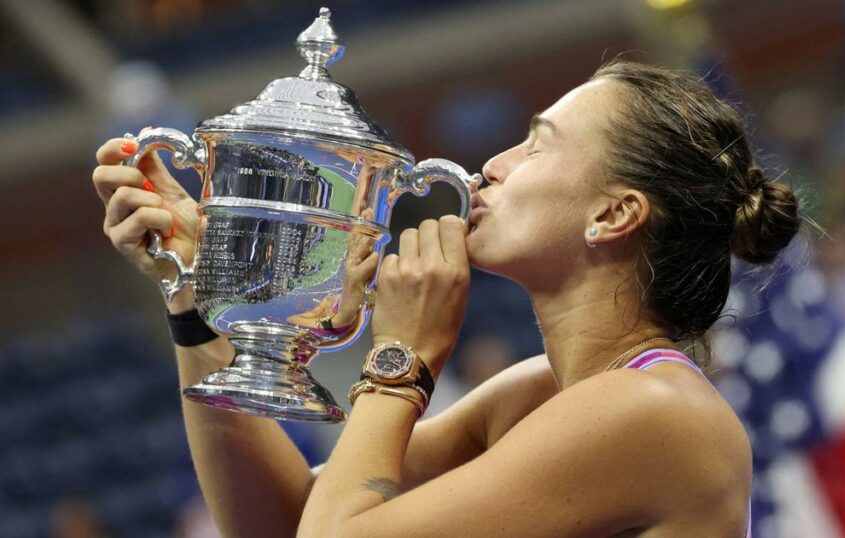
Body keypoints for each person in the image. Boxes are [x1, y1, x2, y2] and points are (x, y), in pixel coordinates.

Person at [92, 59, 801, 537]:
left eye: (536, 144)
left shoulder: (653, 411)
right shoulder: (539, 395)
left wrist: (402, 360)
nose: (494, 165)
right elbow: (283, 521)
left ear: (614, 215)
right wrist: (191, 297)